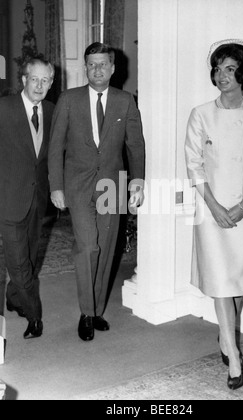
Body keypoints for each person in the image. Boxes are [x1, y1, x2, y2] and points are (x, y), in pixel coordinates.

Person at [185, 39, 243, 390]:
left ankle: (225, 336)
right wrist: (216, 207)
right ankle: (233, 353)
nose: (222, 75)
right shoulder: (201, 114)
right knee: (221, 280)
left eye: (230, 68)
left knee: (240, 282)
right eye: (218, 68)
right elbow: (194, 165)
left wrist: (241, 206)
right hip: (210, 209)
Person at [48, 43, 145, 342]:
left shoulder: (126, 101)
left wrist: (137, 182)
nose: (97, 69)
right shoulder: (68, 100)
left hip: (111, 185)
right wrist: (56, 186)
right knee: (88, 246)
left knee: (107, 247)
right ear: (86, 67)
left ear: (113, 68)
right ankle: (86, 312)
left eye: (103, 64)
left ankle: (98, 309)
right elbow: (55, 147)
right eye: (92, 64)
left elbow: (135, 145)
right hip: (77, 185)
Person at [0, 58, 55, 338]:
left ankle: (13, 297)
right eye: (34, 79)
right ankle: (34, 317)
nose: (39, 85)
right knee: (19, 261)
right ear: (23, 80)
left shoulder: (51, 110)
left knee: (30, 257)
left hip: (37, 200)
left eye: (45, 80)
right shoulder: (4, 108)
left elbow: (51, 158)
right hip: (8, 199)